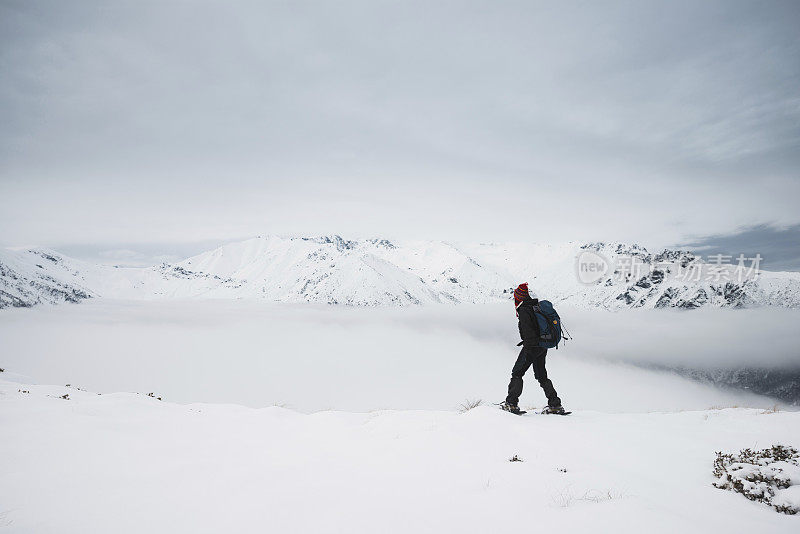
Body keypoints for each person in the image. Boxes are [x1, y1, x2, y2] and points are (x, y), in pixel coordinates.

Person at [500, 283, 566, 415]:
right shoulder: (535, 307)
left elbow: (528, 333)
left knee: (517, 373)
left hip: (532, 347)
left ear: (519, 298)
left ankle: (511, 403)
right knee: (541, 375)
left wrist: (528, 348)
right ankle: (555, 404)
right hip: (542, 346)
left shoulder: (524, 310)